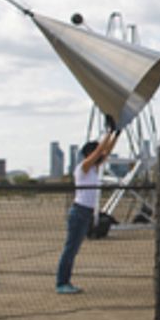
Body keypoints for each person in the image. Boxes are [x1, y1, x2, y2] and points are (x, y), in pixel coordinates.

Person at [55, 126, 119, 294]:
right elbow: (99, 151)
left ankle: (65, 281)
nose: (102, 155)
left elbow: (106, 151)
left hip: (86, 213)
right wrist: (109, 132)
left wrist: (115, 134)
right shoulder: (83, 167)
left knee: (73, 250)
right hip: (79, 212)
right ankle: (61, 283)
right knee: (70, 249)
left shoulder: (94, 169)